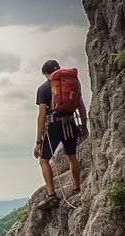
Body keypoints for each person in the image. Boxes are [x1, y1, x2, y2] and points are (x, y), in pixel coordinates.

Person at [33, 59, 88, 210]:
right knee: (72, 157)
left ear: (46, 74)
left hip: (54, 126)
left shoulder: (43, 88)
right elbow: (81, 106)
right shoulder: (73, 84)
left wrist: (38, 142)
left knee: (44, 160)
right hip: (71, 123)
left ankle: (52, 196)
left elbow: (42, 115)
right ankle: (77, 188)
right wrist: (84, 124)